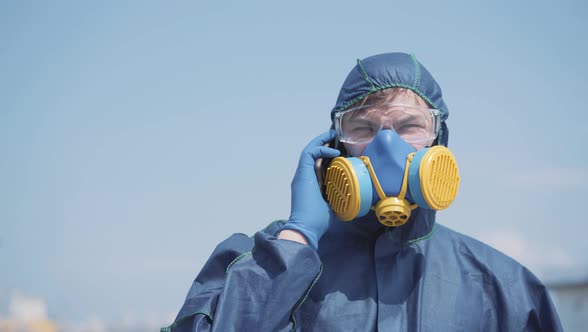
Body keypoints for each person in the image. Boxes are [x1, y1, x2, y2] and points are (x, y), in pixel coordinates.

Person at [163, 52, 563, 331]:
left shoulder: (505, 288)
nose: (386, 146)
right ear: (335, 145)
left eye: (409, 127)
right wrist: (297, 237)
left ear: (439, 141)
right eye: (363, 128)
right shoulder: (256, 265)